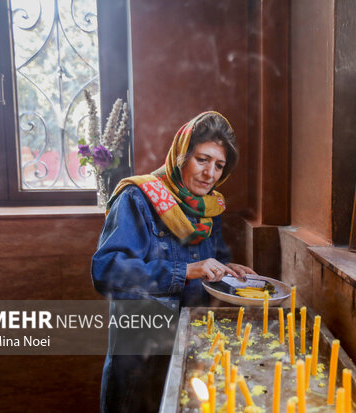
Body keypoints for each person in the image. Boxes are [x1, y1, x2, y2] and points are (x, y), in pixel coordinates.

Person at [91, 111, 255, 413]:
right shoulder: (137, 198)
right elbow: (107, 271)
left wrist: (227, 271)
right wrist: (185, 271)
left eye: (219, 165)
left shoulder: (209, 207)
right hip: (142, 349)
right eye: (202, 159)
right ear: (181, 156)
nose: (210, 173)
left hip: (190, 344)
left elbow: (211, 262)